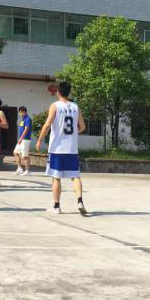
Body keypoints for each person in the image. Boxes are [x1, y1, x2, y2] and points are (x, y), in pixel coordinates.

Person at [34, 81, 88, 215]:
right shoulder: (75, 107)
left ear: (58, 92)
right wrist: (74, 133)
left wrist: (39, 139)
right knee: (75, 176)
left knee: (56, 177)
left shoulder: (55, 106)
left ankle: (56, 206)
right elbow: (82, 127)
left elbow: (47, 124)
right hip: (71, 149)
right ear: (69, 92)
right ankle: (80, 201)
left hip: (57, 148)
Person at [14, 106, 32, 175]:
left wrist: (21, 138)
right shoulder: (23, 120)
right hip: (21, 139)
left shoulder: (28, 119)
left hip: (25, 139)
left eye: (21, 112)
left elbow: (26, 129)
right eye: (19, 113)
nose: (20, 114)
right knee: (15, 152)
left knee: (25, 155)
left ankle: (27, 171)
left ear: (24, 112)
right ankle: (20, 168)